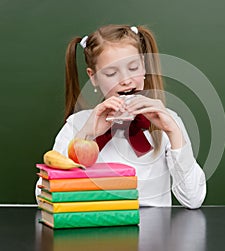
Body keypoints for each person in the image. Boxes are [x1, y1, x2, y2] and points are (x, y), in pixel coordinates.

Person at [36, 24, 206, 209]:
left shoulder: (169, 122)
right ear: (93, 77)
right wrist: (85, 136)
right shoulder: (77, 125)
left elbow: (193, 199)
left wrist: (173, 132)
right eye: (111, 73)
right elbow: (43, 197)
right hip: (95, 229)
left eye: (133, 68)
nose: (125, 80)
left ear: (144, 67)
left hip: (155, 234)